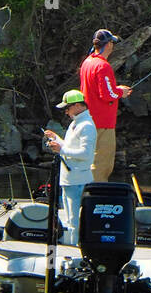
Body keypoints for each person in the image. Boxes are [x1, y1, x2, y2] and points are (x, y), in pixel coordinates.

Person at [79, 28, 131, 183]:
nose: (113, 46)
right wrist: (121, 92)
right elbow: (108, 94)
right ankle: (95, 199)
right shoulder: (103, 66)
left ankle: (84, 197)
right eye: (112, 42)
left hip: (88, 119)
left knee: (89, 161)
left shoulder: (87, 62)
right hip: (102, 124)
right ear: (108, 45)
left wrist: (116, 90)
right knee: (102, 165)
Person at [44, 89, 96, 245]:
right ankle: (73, 246)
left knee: (75, 219)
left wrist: (61, 149)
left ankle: (76, 249)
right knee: (69, 218)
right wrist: (57, 139)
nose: (66, 111)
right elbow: (69, 146)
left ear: (79, 106)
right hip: (69, 180)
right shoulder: (76, 123)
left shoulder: (86, 125)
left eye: (68, 107)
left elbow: (86, 154)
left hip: (78, 180)